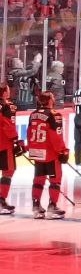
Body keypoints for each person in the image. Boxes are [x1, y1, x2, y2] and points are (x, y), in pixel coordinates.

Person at [27, 90, 68, 219]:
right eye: (53, 97)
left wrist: (30, 148)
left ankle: (36, 206)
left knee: (38, 179)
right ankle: (52, 207)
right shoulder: (54, 115)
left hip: (37, 151)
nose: (54, 99)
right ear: (50, 100)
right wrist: (62, 151)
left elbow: (29, 132)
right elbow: (56, 136)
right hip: (50, 153)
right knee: (55, 180)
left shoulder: (33, 114)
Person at [0, 83, 19, 215]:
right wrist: (15, 139)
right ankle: (1, 201)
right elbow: (7, 124)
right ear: (4, 93)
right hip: (4, 143)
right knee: (8, 171)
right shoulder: (7, 106)